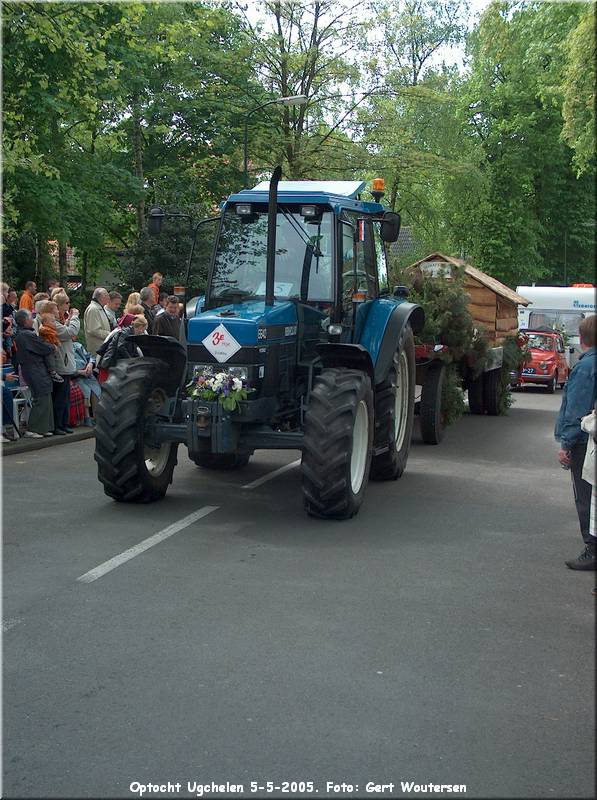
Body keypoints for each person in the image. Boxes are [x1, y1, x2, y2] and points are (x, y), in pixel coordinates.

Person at [555, 315, 597, 570]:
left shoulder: (585, 368)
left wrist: (566, 445)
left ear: (581, 339)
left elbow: (576, 410)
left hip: (584, 441)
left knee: (586, 496)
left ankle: (591, 549)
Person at [14, 309, 56, 438]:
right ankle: (33, 428)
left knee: (46, 395)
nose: (32, 320)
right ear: (25, 320)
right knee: (41, 396)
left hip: (36, 368)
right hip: (34, 369)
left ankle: (44, 427)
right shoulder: (26, 335)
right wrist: (52, 347)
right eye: (30, 318)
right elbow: (42, 347)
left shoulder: (24, 334)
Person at [47, 301, 80, 435]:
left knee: (65, 397)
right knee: (60, 398)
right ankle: (58, 425)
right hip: (61, 364)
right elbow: (70, 332)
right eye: (55, 309)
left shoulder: (57, 324)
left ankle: (63, 423)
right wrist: (75, 317)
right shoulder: (52, 324)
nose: (57, 311)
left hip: (64, 363)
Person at [73, 341, 101, 426]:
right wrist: (79, 372)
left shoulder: (78, 345)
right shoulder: (63, 348)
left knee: (96, 391)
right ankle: (87, 418)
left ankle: (97, 417)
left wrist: (90, 364)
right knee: (86, 392)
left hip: (88, 374)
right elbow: (66, 369)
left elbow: (90, 357)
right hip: (76, 377)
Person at [83, 287, 111, 356]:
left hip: (102, 347)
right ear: (100, 297)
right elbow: (93, 330)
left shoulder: (99, 308)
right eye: (106, 295)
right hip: (97, 349)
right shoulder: (93, 309)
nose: (109, 297)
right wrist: (110, 334)